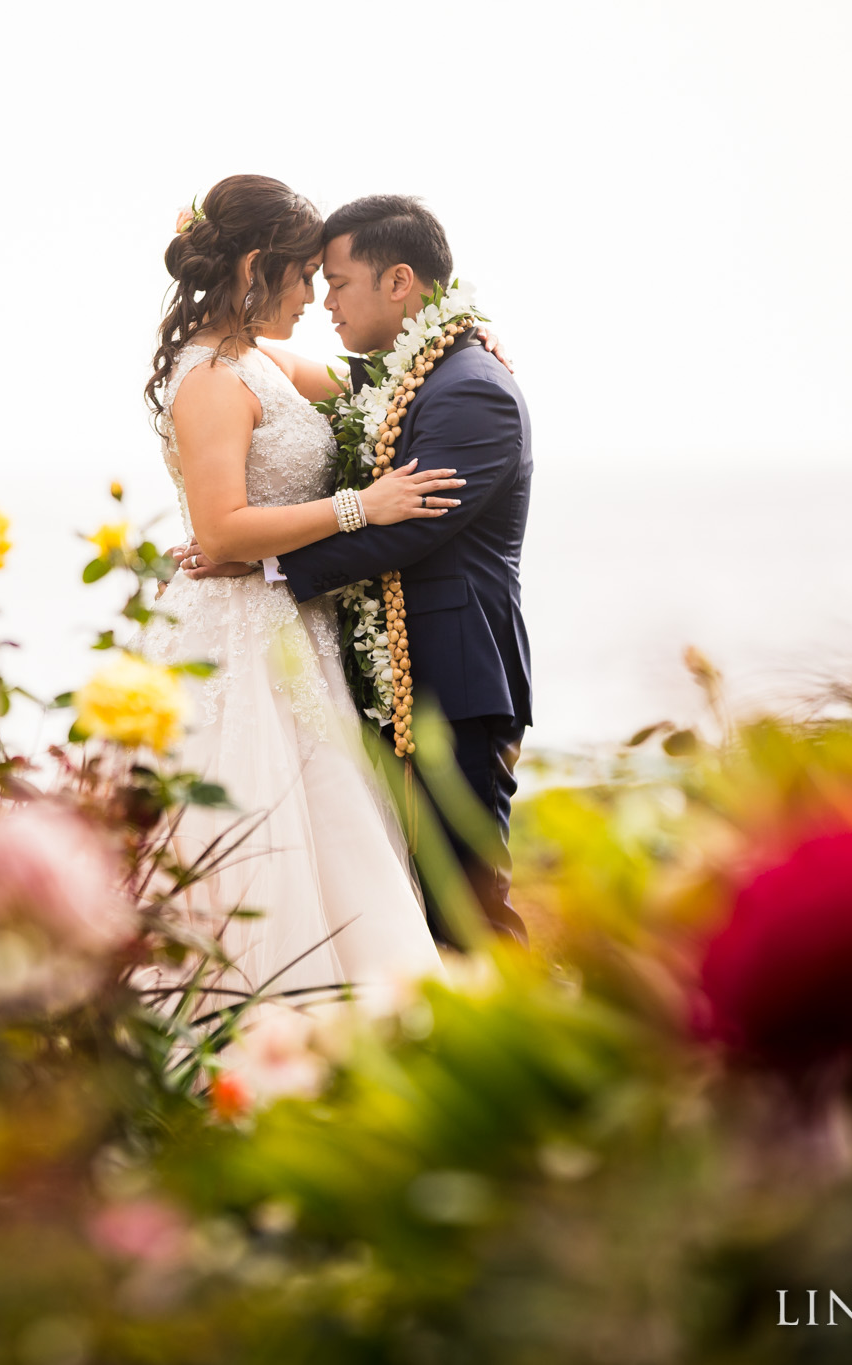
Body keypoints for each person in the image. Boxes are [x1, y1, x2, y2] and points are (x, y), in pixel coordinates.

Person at [180, 194, 532, 947]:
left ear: (399, 281)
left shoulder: (469, 386)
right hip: (378, 680)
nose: (321, 301)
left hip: (457, 681)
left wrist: (265, 565)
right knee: (410, 896)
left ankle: (520, 1052)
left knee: (467, 909)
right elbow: (282, 373)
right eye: (310, 278)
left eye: (334, 281)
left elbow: (407, 531)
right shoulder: (391, 375)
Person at [141, 174, 455, 1001]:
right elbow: (220, 533)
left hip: (290, 623)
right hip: (240, 634)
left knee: (334, 832)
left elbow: (376, 386)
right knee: (260, 824)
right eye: (304, 275)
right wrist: (364, 506)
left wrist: (462, 351)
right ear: (256, 267)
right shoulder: (210, 380)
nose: (316, 297)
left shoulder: (263, 361)